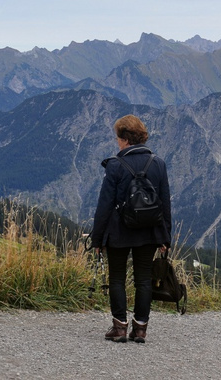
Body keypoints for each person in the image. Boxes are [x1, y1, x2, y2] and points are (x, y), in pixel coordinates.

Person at [90, 115, 174, 344]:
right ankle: (140, 329)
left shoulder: (115, 165)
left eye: (118, 137)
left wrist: (96, 240)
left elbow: (104, 205)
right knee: (143, 280)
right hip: (149, 231)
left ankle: (119, 329)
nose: (116, 141)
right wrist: (166, 237)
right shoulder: (158, 163)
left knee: (117, 278)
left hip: (119, 232)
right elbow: (165, 204)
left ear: (125, 138)